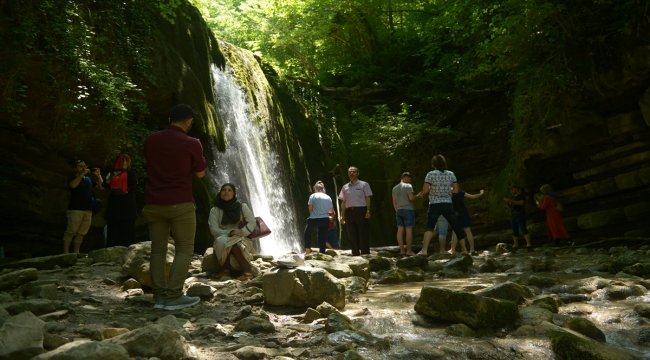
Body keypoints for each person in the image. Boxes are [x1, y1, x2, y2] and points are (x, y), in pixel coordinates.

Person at [143, 104, 207, 311]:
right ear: (188, 121)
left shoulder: (151, 140)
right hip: (180, 202)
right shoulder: (192, 143)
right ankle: (174, 296)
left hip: (153, 203)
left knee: (157, 250)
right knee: (184, 249)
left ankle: (159, 297)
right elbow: (200, 173)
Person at [415, 154, 467, 256]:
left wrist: (430, 190)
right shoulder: (451, 174)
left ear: (433, 164)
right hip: (447, 203)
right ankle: (464, 249)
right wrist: (447, 189)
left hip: (434, 204)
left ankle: (424, 250)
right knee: (456, 226)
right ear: (444, 163)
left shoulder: (430, 174)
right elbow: (456, 190)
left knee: (430, 226)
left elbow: (425, 190)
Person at [208, 183, 257, 280]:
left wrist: (242, 232)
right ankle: (239, 271)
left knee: (235, 242)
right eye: (224, 190)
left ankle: (230, 270)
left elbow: (252, 222)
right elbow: (213, 229)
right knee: (222, 241)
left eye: (229, 190)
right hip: (223, 236)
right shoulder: (214, 210)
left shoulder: (242, 206)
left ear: (234, 193)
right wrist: (229, 233)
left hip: (241, 236)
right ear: (220, 193)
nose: (226, 192)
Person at [62, 159, 103, 254]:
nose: (84, 168)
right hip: (75, 209)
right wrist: (81, 175)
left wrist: (98, 175)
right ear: (75, 168)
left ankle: (76, 253)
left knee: (81, 233)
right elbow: (73, 185)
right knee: (71, 231)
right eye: (81, 166)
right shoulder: (72, 177)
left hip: (88, 210)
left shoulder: (88, 179)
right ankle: (65, 253)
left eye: (85, 166)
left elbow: (101, 187)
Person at [105, 153, 138, 247]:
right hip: (115, 207)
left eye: (126, 161)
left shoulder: (131, 173)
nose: (124, 163)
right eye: (123, 161)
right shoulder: (111, 173)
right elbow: (106, 185)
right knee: (113, 232)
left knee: (127, 232)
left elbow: (133, 185)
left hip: (127, 207)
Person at [339, 166, 373, 256]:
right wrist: (342, 216)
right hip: (349, 212)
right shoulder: (345, 187)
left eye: (353, 172)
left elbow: (367, 198)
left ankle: (365, 253)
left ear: (358, 173)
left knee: (363, 232)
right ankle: (355, 253)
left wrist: (368, 211)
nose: (351, 173)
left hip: (361, 210)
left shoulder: (364, 184)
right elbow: (343, 202)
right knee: (351, 234)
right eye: (350, 172)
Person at [449, 186, 485, 255]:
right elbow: (473, 197)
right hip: (462, 213)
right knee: (467, 231)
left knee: (455, 232)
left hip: (456, 214)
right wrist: (481, 193)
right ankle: (471, 249)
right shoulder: (459, 191)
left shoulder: (448, 192)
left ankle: (453, 250)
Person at [304, 180, 334, 254]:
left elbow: (310, 208)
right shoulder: (328, 197)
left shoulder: (313, 196)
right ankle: (322, 252)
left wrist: (312, 215)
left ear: (315, 189)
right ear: (323, 189)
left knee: (307, 233)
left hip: (314, 218)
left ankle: (307, 250)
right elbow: (331, 210)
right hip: (325, 219)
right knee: (322, 235)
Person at [392, 171, 415, 256]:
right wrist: (417, 196)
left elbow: (394, 202)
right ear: (405, 177)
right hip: (408, 210)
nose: (410, 180)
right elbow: (411, 198)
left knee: (400, 230)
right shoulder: (408, 186)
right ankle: (409, 251)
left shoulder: (394, 188)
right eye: (409, 178)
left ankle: (402, 251)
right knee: (409, 230)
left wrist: (396, 210)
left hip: (399, 210)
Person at [503, 185, 531, 250]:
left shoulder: (521, 195)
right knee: (514, 230)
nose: (511, 191)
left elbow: (521, 203)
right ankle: (515, 244)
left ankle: (528, 244)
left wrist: (510, 200)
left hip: (520, 214)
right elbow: (512, 206)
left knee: (523, 228)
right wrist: (508, 202)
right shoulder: (514, 197)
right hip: (513, 215)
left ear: (517, 189)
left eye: (513, 189)